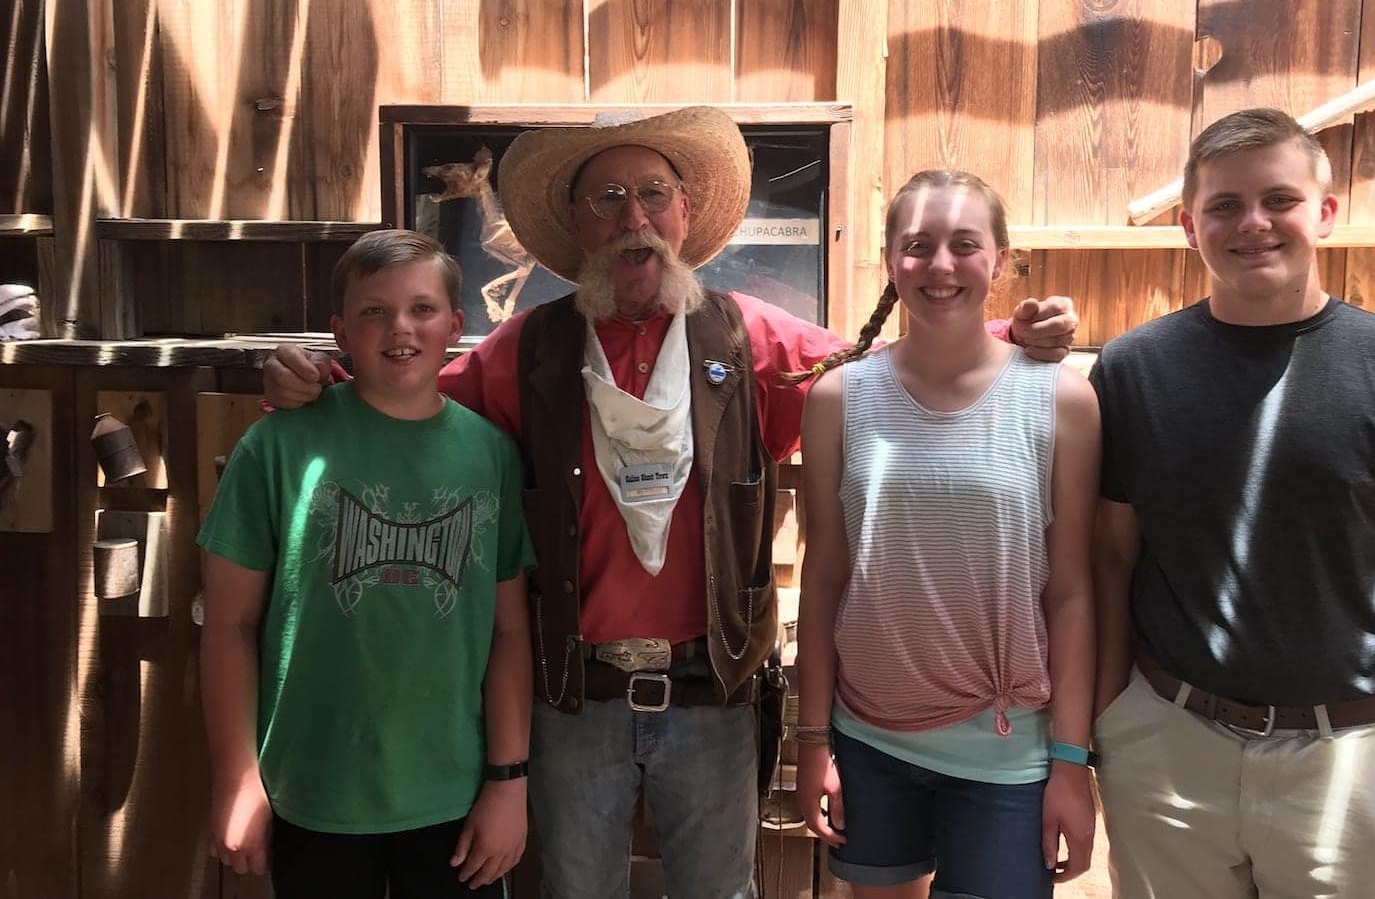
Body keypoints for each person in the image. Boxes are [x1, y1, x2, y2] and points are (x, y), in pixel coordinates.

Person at [263, 106, 1080, 898]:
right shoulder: (531, 348)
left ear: (685, 213)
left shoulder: (750, 337)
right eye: (608, 198)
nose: (635, 217)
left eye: (654, 193)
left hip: (712, 694)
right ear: (576, 224)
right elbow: (410, 399)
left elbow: (889, 374)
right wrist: (317, 382)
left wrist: (1006, 336)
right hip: (574, 697)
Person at [1090, 108, 1375, 898]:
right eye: (1224, 204)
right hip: (1167, 750)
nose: (1254, 223)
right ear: (1188, 227)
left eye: (1279, 199)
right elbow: (1109, 560)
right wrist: (1110, 729)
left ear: (1325, 213)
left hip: (1352, 763)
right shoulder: (1133, 372)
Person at [200, 230, 536, 898]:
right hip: (313, 786)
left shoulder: (491, 455)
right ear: (341, 332)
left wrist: (509, 783)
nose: (400, 328)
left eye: (421, 308)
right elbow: (229, 624)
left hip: (454, 794)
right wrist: (237, 779)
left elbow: (509, 631)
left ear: (455, 326)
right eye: (374, 311)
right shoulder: (274, 447)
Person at [793, 170, 1101, 898]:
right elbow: (826, 578)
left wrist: (1070, 760)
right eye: (917, 245)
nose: (940, 265)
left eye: (965, 244)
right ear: (889, 259)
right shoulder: (839, 398)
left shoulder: (1061, 399)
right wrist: (812, 741)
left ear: (1001, 260)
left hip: (1007, 749)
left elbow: (1071, 593)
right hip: (869, 739)